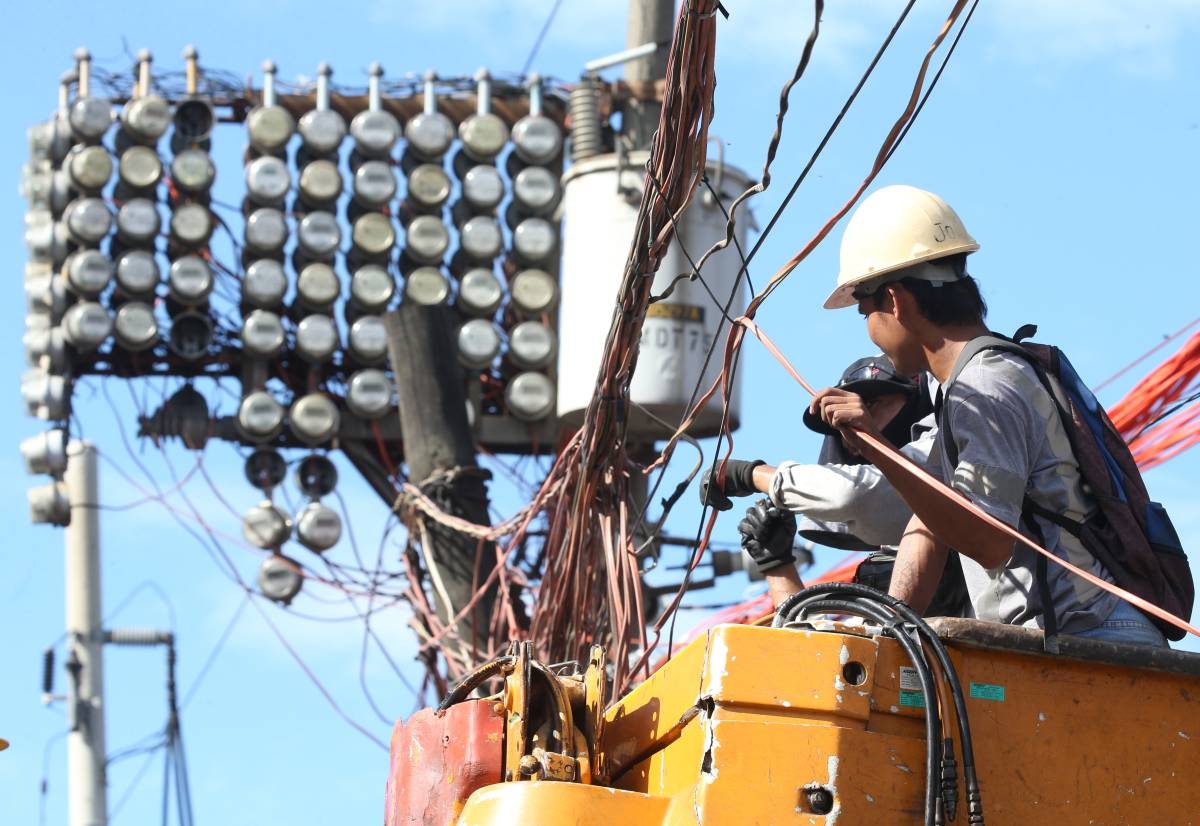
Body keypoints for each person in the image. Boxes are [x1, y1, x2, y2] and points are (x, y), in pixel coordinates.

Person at [809, 184, 1166, 646]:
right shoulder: (965, 388)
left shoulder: (985, 385)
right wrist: (888, 631)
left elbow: (988, 539)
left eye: (865, 312)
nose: (870, 331)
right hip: (1075, 637)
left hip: (1092, 637)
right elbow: (929, 521)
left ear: (895, 301)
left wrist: (875, 447)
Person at [701, 355, 967, 616]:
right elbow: (818, 651)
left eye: (872, 404)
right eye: (837, 423)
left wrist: (751, 474)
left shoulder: (949, 454)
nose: (851, 427)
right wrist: (777, 565)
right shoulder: (890, 553)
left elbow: (851, 493)